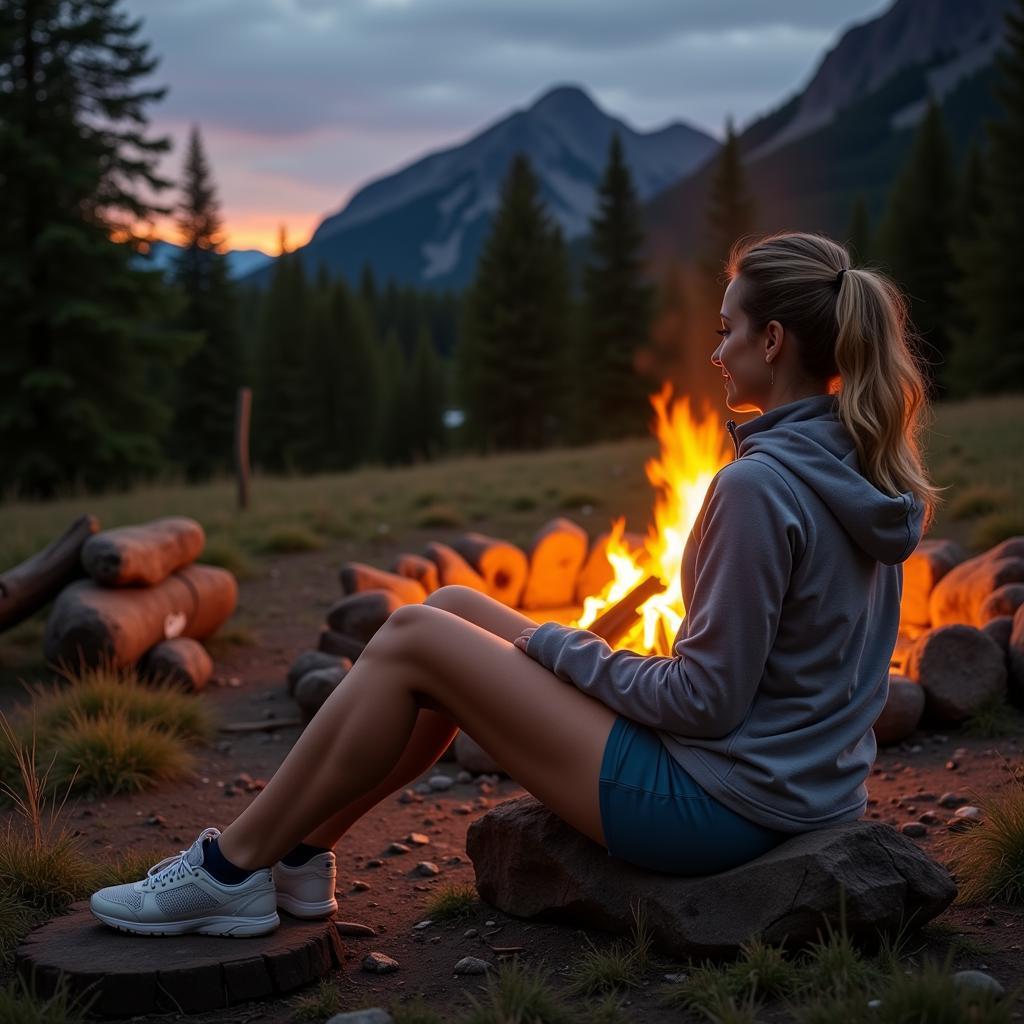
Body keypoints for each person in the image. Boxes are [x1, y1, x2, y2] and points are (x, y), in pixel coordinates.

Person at [89, 230, 943, 937]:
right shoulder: (861, 465)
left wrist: (553, 644)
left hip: (720, 806)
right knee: (451, 609)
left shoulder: (759, 485)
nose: (715, 352)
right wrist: (551, 649)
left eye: (727, 331)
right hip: (794, 781)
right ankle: (304, 858)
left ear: (773, 341)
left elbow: (706, 702)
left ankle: (230, 867)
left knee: (419, 638)